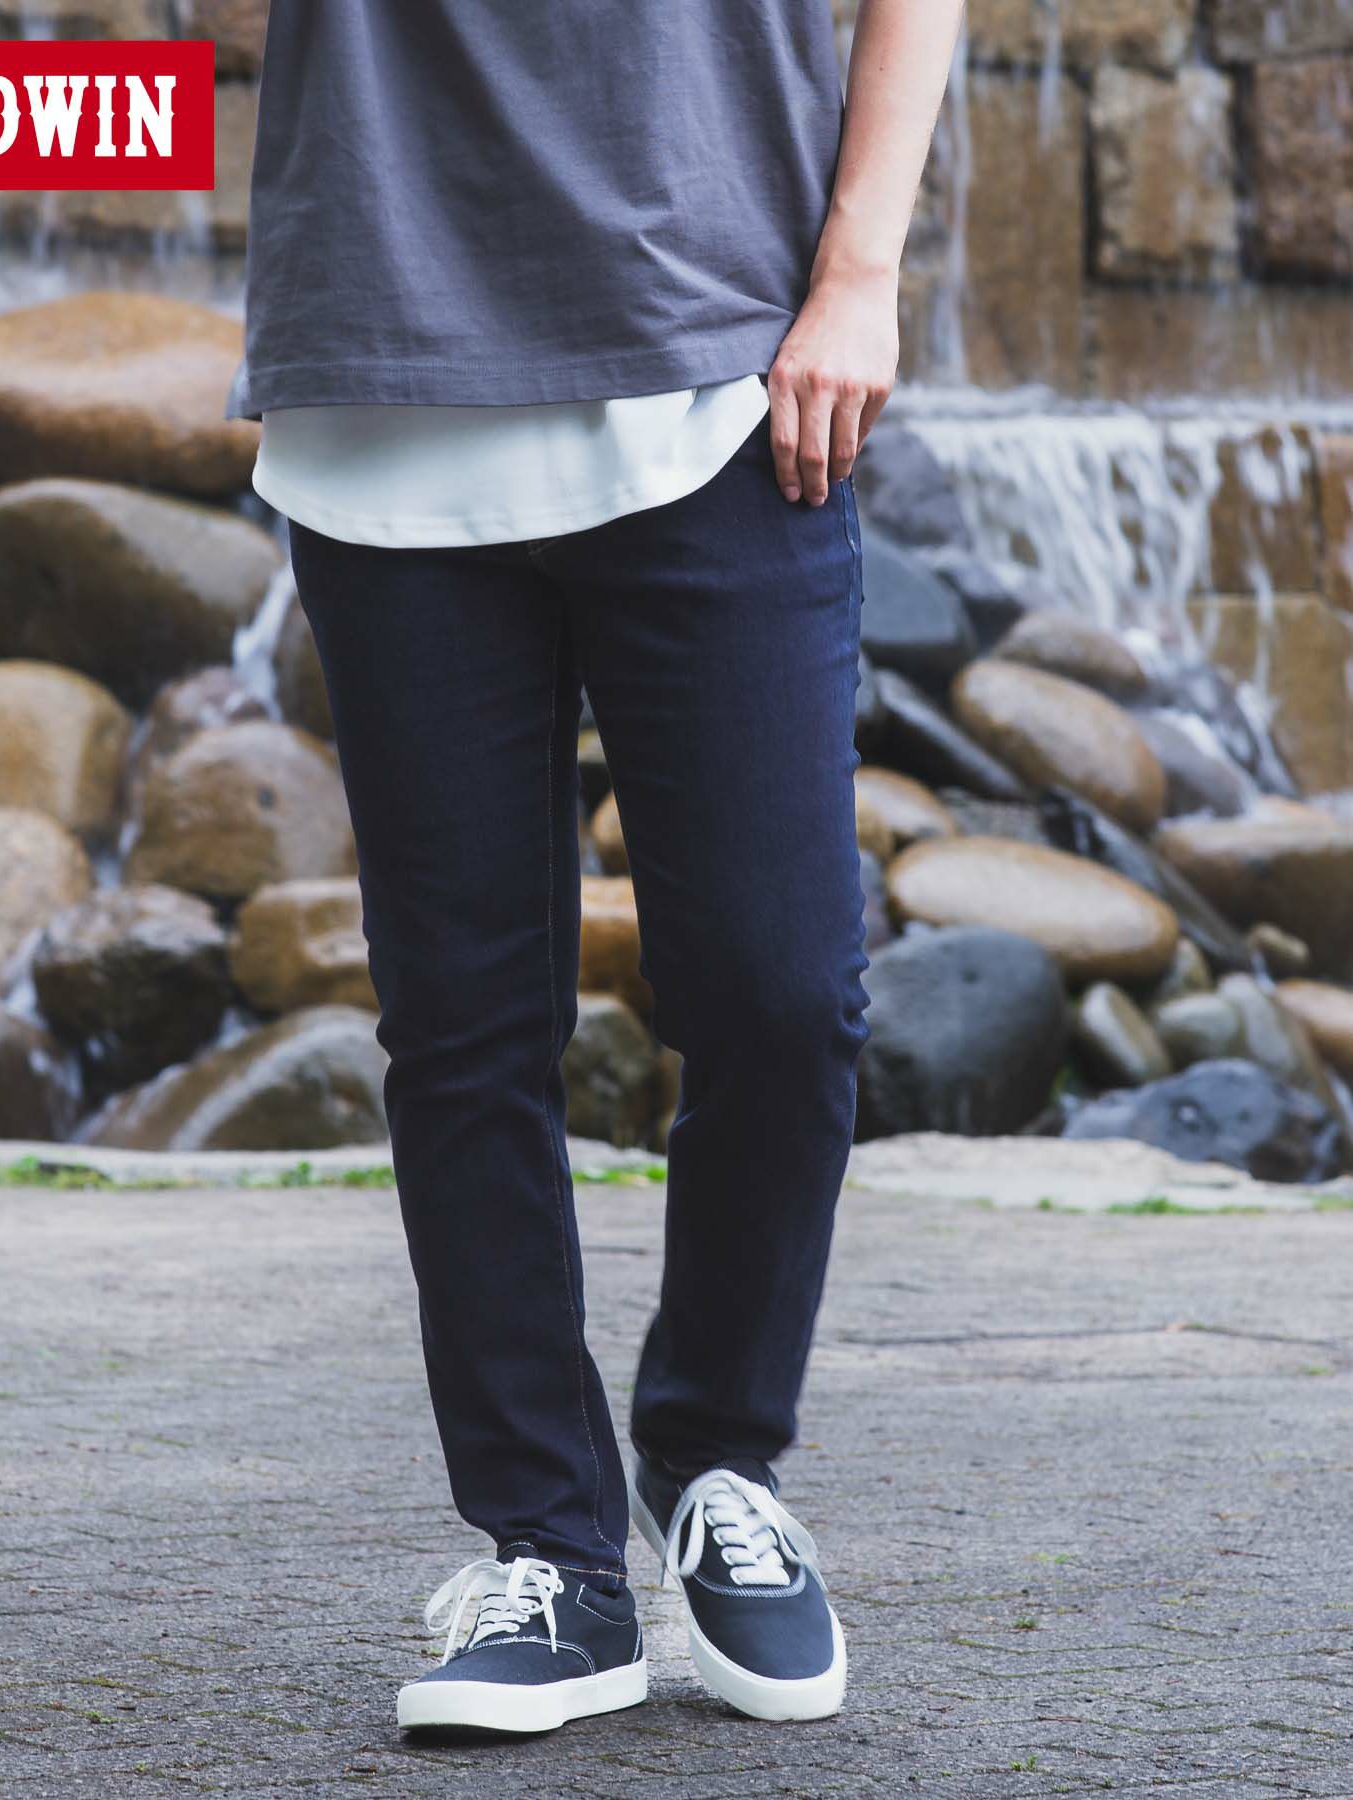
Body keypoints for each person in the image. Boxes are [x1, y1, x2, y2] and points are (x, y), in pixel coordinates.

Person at [226, 0, 965, 1736]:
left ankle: (716, 1461)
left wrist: (860, 273)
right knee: (464, 1029)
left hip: (726, 365)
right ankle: (550, 1551)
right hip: (390, 376)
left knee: (784, 991)